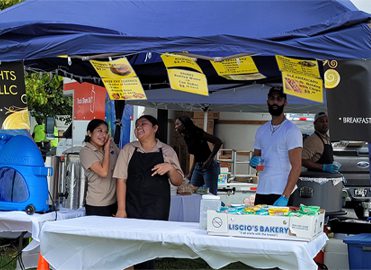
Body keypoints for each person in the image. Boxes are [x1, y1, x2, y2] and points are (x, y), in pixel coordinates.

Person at [113, 115, 183, 270]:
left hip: (156, 207)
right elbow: (121, 180)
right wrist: (121, 209)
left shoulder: (167, 151)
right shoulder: (129, 149)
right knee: (129, 247)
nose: (138, 127)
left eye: (143, 124)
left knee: (148, 249)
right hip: (132, 205)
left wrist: (170, 168)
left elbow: (178, 181)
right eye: (137, 125)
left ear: (155, 128)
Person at [249, 86, 303, 206]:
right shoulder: (261, 130)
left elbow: (297, 167)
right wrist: (253, 162)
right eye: (272, 98)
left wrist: (285, 196)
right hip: (262, 190)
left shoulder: (291, 131)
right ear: (267, 101)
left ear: (285, 102)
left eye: (279, 99)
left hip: (282, 192)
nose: (275, 102)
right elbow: (257, 160)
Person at [79, 119, 120, 216]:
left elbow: (122, 159)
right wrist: (106, 151)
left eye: (106, 132)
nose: (103, 135)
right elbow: (103, 172)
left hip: (114, 202)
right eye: (99, 131)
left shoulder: (110, 145)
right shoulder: (86, 151)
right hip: (97, 205)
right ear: (89, 133)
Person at [174, 115, 223, 195]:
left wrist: (209, 160)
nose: (176, 127)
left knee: (210, 193)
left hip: (209, 166)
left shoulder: (198, 133)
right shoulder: (187, 137)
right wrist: (191, 172)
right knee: (192, 190)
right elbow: (196, 155)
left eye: (177, 124)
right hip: (198, 165)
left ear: (184, 124)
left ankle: (217, 205)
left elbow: (218, 142)